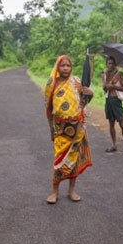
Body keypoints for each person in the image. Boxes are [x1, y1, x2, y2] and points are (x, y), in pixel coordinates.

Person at [45, 55, 94, 204]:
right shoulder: (52, 84)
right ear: (58, 67)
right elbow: (48, 109)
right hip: (60, 129)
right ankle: (54, 191)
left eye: (68, 65)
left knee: (74, 160)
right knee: (59, 160)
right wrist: (51, 129)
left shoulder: (76, 82)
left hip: (77, 127)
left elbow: (83, 102)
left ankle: (71, 190)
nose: (66, 68)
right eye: (63, 65)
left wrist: (90, 94)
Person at [102, 56, 123, 154]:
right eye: (109, 63)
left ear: (115, 64)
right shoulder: (105, 74)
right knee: (111, 124)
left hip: (116, 101)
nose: (110, 65)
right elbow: (104, 89)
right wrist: (106, 86)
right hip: (108, 100)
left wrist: (113, 86)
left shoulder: (119, 74)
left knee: (122, 124)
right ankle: (114, 145)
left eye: (112, 63)